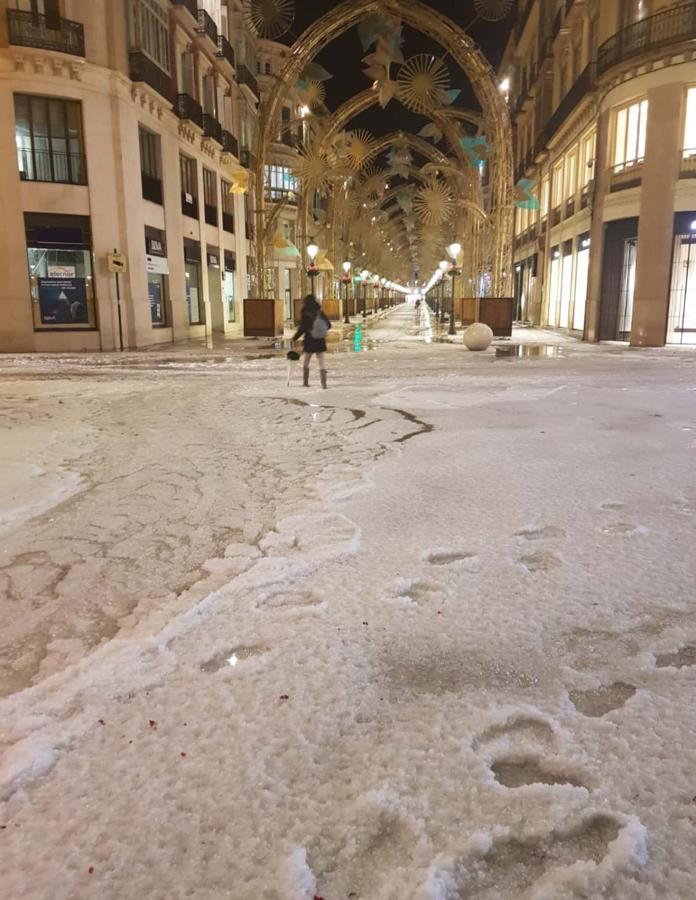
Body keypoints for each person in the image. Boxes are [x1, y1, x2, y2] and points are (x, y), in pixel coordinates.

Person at [292, 294, 331, 389]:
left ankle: (305, 382)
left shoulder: (305, 314)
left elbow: (302, 329)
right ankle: (324, 384)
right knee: (321, 362)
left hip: (309, 341)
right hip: (320, 341)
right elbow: (329, 325)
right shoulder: (319, 312)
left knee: (306, 362)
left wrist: (294, 338)